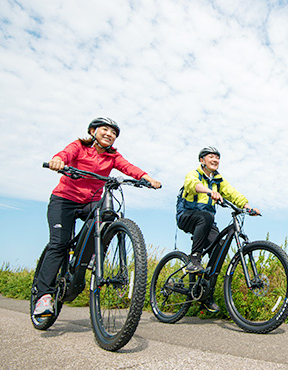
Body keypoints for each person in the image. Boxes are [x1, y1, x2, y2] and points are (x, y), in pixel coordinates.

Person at [33, 117, 162, 317]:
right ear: (93, 131)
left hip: (90, 202)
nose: (109, 134)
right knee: (59, 244)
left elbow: (129, 168)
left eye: (113, 133)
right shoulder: (80, 147)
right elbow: (65, 155)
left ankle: (93, 254)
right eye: (105, 130)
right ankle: (44, 296)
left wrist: (147, 178)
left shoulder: (113, 157)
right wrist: (58, 161)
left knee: (107, 215)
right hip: (64, 200)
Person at [176, 146, 260, 313]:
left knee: (220, 246)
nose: (215, 160)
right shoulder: (194, 174)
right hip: (187, 216)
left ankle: (206, 293)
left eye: (217, 157)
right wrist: (209, 192)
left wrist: (247, 206)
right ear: (202, 160)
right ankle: (194, 260)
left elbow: (232, 193)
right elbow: (192, 185)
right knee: (206, 216)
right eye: (211, 157)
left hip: (206, 222)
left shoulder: (219, 180)